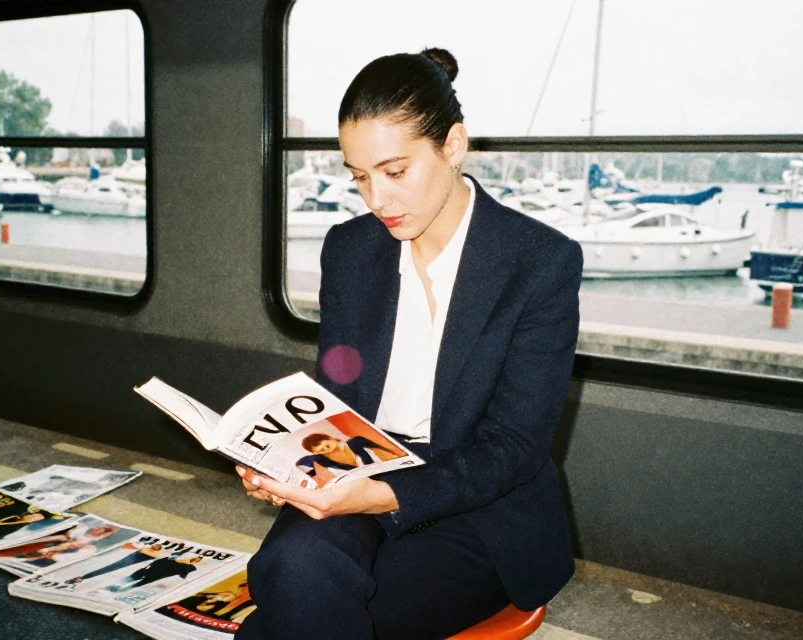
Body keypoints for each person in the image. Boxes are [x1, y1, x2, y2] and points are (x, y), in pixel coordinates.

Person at [234, 47, 581, 640]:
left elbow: (514, 447)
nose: (376, 200)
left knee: (306, 614)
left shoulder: (538, 263)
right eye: (359, 177)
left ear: (452, 146)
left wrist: (385, 494)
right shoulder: (350, 251)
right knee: (291, 573)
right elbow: (338, 392)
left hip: (483, 506)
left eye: (395, 172)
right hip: (362, 466)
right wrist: (288, 454)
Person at [294, 432, 400, 483]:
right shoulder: (318, 461)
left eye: (327, 445)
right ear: (315, 453)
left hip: (389, 479)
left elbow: (391, 456)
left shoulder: (357, 442)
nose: (326, 449)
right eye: (321, 450)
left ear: (331, 438)